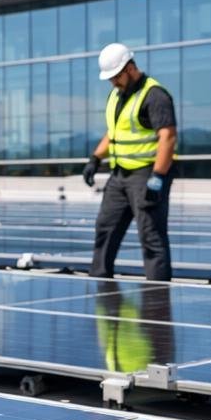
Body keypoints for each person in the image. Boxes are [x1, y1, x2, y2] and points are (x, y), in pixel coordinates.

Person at [83, 42, 177, 281]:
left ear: (130, 68)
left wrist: (157, 178)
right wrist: (95, 158)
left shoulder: (154, 95)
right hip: (119, 176)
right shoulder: (117, 96)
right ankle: (99, 286)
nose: (113, 82)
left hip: (146, 175)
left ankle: (157, 300)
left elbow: (168, 136)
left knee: (151, 237)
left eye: (116, 76)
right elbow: (113, 133)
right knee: (105, 228)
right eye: (110, 78)